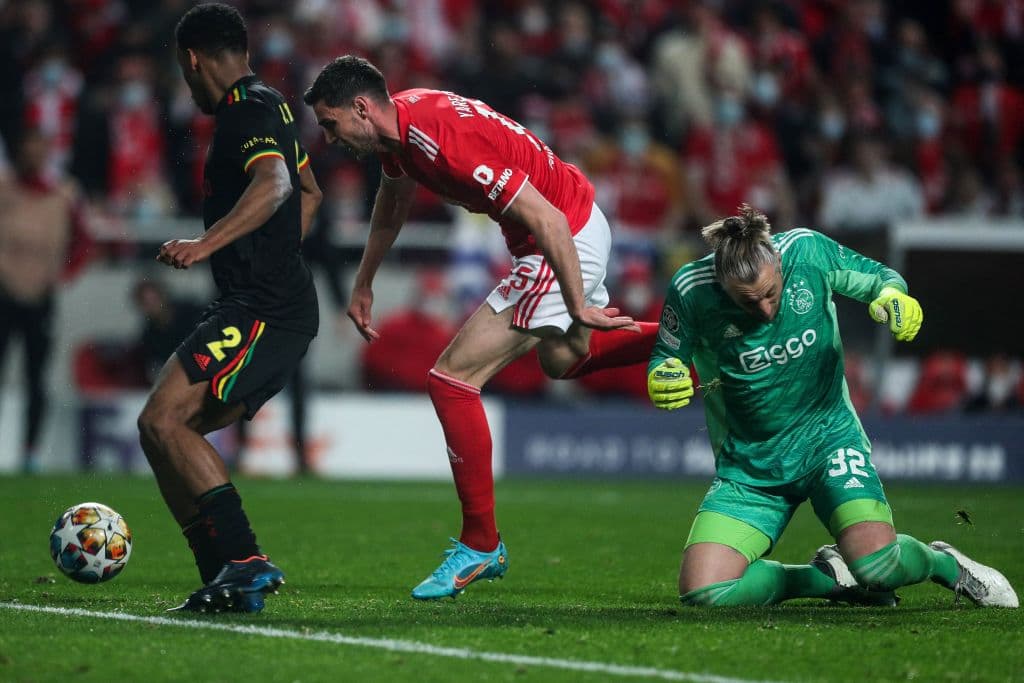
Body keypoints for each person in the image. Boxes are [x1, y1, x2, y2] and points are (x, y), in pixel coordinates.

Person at [303, 56, 660, 600]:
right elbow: (393, 200)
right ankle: (693, 331)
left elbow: (547, 219)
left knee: (452, 379)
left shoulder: (444, 143)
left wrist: (575, 301)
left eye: (331, 124)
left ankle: (481, 544)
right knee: (565, 359)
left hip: (562, 234)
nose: (330, 138)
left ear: (360, 108)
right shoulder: (402, 128)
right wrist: (365, 280)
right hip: (569, 223)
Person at [646, 204, 1018, 609]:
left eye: (771, 293)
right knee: (704, 591)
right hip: (751, 466)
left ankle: (946, 564)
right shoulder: (691, 289)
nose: (765, 310)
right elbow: (667, 355)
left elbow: (881, 278)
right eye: (748, 302)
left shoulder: (807, 250)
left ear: (778, 264)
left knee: (878, 567)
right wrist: (663, 375)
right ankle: (828, 578)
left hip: (828, 440)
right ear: (722, 284)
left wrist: (893, 297)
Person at [138, 3, 321, 614]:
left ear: (192, 60)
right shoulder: (274, 104)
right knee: (164, 429)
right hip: (270, 302)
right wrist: (277, 253)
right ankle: (224, 576)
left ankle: (243, 562)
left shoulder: (245, 111)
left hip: (263, 308)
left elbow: (276, 184)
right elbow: (311, 190)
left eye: (181, 69)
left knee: (163, 420)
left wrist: (206, 244)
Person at [0, 128, 92, 472]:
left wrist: (62, 274)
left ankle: (31, 452)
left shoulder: (64, 193)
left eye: (39, 148)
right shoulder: (4, 187)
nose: (33, 155)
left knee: (36, 376)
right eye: (28, 148)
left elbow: (84, 240)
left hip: (41, 296)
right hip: (3, 293)